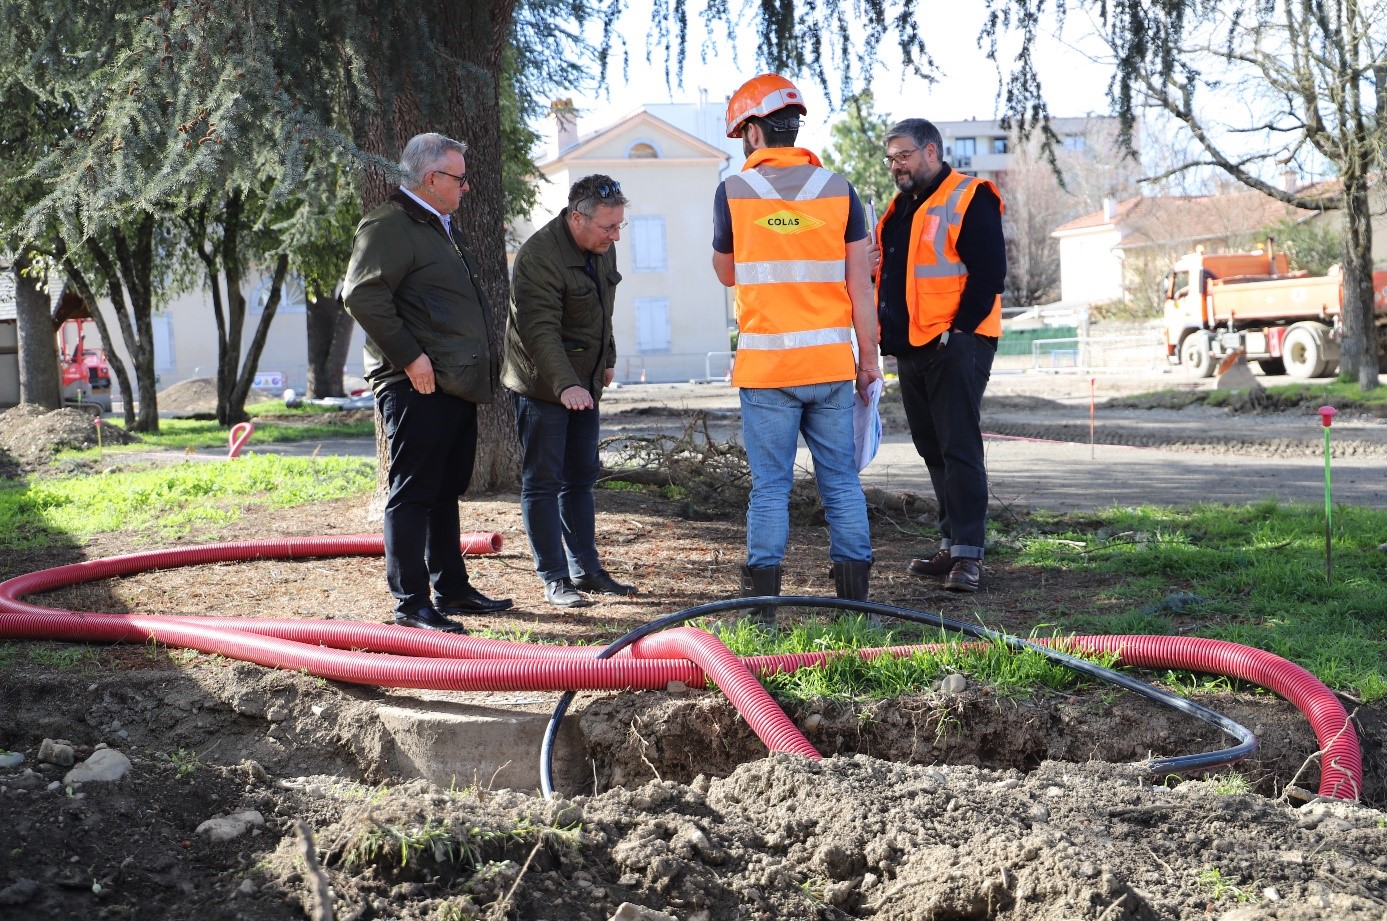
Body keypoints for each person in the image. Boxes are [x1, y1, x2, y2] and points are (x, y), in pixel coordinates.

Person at [711, 73, 883, 626]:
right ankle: (855, 606)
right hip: (831, 366)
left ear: (755, 130)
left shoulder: (733, 191)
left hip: (766, 370)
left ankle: (762, 612)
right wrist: (870, 363)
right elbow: (862, 285)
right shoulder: (839, 189)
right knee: (840, 482)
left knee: (770, 489)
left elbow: (726, 273)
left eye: (743, 133)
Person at [342, 132, 513, 632]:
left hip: (452, 382)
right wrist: (411, 358)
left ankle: (452, 589)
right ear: (431, 178)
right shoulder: (389, 224)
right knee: (413, 492)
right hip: (415, 381)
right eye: (458, 178)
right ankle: (411, 604)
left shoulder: (439, 226)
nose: (466, 187)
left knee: (442, 490)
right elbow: (363, 295)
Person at [875, 119, 1007, 593]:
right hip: (911, 346)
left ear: (931, 152)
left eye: (903, 156)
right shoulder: (900, 210)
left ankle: (969, 556)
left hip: (956, 343)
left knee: (959, 447)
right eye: (891, 158)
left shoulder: (971, 195)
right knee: (933, 449)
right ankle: (952, 544)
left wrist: (958, 332)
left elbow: (990, 272)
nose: (896, 166)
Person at [503, 175, 637, 608]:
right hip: (543, 385)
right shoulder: (538, 257)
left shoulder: (600, 245)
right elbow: (538, 331)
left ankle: (587, 569)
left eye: (619, 226)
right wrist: (565, 384)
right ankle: (554, 577)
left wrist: (608, 357)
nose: (615, 235)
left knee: (581, 477)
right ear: (577, 218)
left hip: (584, 383)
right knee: (543, 481)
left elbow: (603, 308)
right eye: (607, 227)